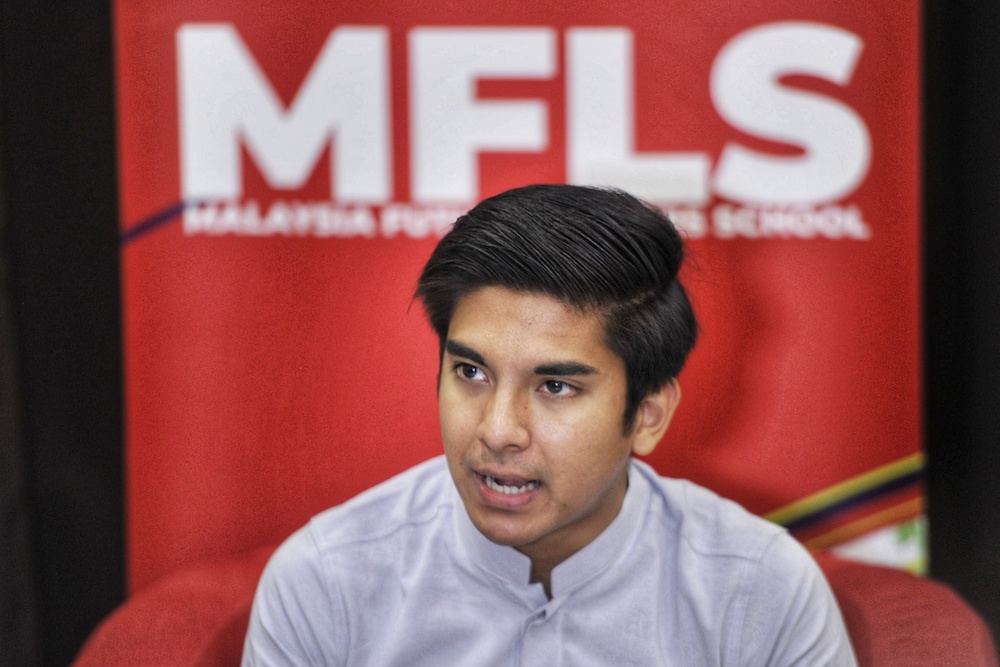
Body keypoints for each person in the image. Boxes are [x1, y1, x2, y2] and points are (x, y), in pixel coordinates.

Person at [242, 184, 857, 666]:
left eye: (555, 386)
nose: (498, 430)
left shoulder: (758, 589)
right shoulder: (326, 579)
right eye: (471, 372)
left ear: (647, 415)